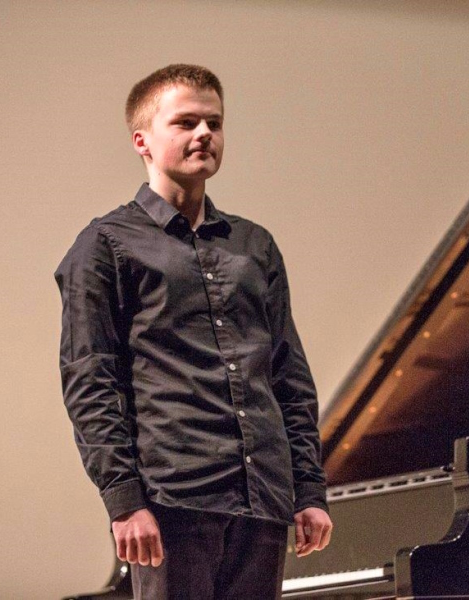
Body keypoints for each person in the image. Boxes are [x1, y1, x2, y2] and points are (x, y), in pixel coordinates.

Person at [55, 64, 332, 599]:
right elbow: (90, 381)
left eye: (214, 123)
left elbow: (288, 377)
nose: (204, 134)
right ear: (143, 140)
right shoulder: (105, 244)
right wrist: (124, 500)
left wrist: (309, 489)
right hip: (174, 497)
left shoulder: (256, 246)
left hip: (264, 497)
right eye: (185, 122)